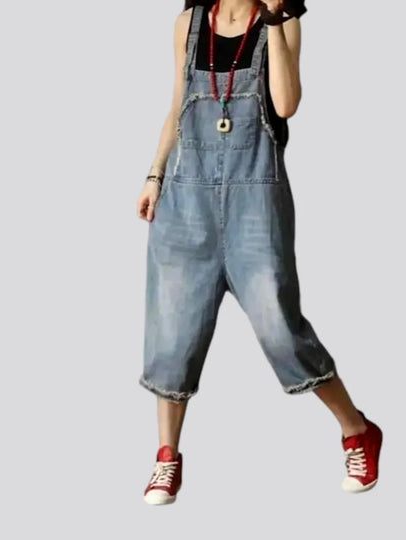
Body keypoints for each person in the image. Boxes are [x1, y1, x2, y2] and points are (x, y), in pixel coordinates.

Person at [137, 0, 383, 505]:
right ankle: (166, 457)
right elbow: (178, 106)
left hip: (256, 202)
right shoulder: (188, 24)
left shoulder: (281, 23)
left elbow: (287, 104)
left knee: (280, 329)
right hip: (186, 200)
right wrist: (154, 174)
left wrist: (272, 20)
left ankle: (358, 431)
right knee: (171, 335)